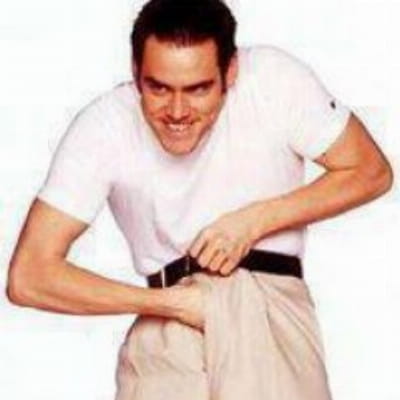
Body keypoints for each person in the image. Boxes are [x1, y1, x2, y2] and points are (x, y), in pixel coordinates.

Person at [6, 0, 393, 398]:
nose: (177, 111)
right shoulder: (104, 124)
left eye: (198, 89)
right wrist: (171, 304)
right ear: (135, 71)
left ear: (231, 70)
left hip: (265, 305)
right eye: (158, 87)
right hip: (167, 316)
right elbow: (29, 276)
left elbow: (371, 171)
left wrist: (253, 221)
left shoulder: (274, 79)